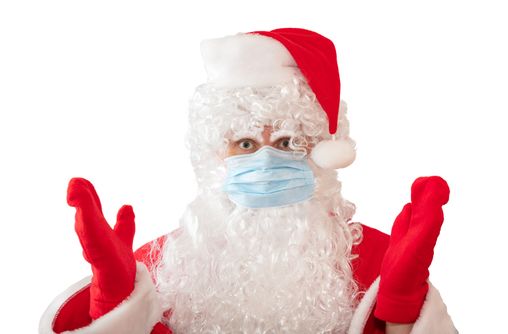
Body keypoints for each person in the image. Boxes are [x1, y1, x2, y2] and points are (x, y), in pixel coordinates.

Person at [39, 28, 457, 334]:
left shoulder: (376, 261)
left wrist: (402, 307)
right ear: (214, 154)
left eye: (289, 141)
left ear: (322, 152)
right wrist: (114, 304)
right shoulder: (164, 265)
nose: (266, 159)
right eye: (244, 143)